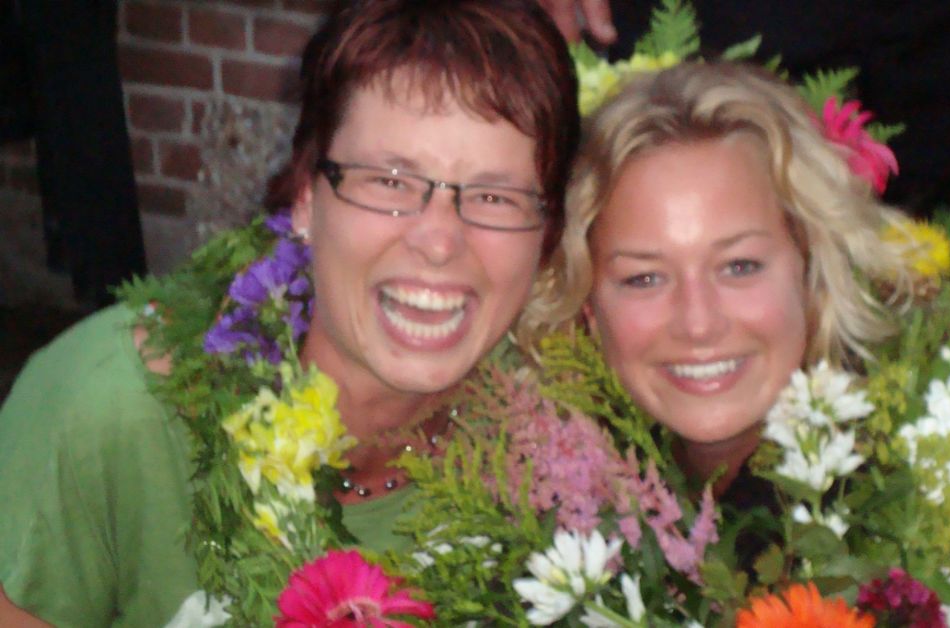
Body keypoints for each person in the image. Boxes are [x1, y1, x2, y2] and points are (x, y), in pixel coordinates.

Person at [0, 0, 578, 625]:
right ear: (305, 197)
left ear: (546, 236)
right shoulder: (110, 413)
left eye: (495, 196)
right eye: (388, 181)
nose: (439, 241)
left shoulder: (555, 444)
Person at [526, 62, 950, 626]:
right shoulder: (544, 516)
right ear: (587, 305)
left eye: (740, 266)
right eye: (644, 278)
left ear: (811, 272)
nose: (697, 323)